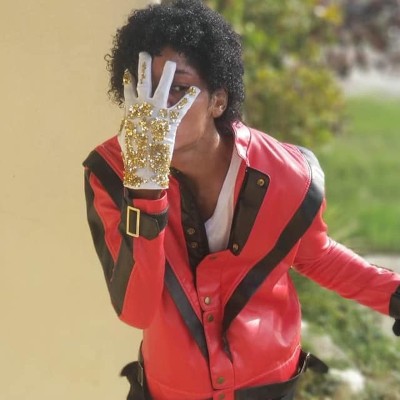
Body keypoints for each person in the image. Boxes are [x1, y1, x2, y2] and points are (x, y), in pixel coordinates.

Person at [83, 1, 400, 399]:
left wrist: (393, 295)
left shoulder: (287, 172)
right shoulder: (111, 174)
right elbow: (137, 308)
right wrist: (145, 185)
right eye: (147, 90)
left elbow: (314, 255)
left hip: (269, 385)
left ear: (218, 100)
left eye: (177, 89)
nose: (157, 108)